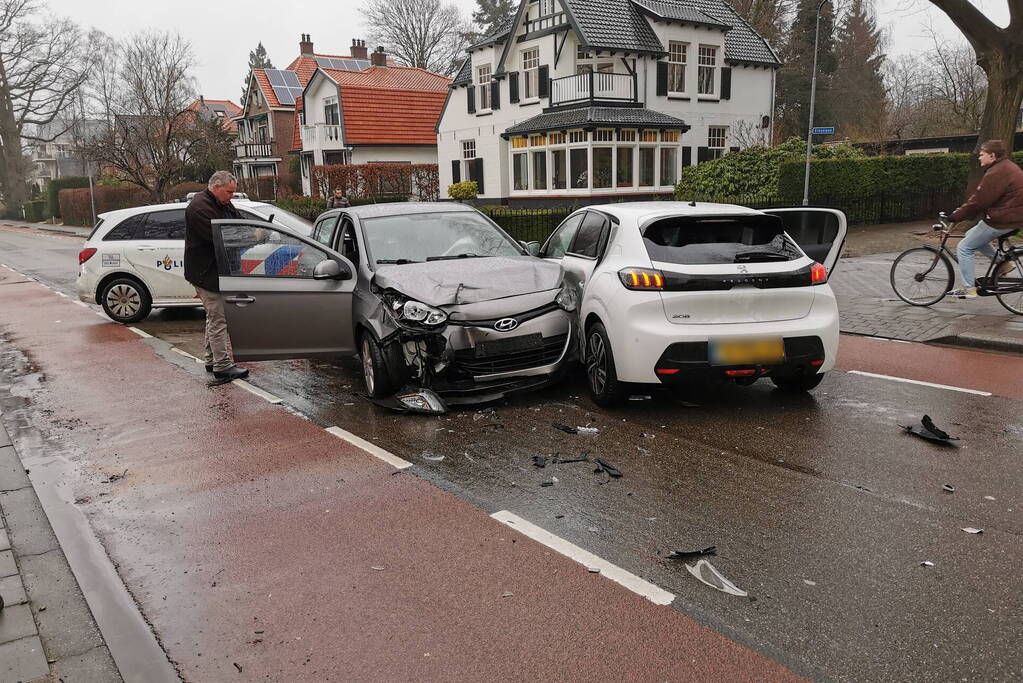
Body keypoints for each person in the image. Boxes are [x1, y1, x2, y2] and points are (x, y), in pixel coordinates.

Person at [184, 171, 248, 380]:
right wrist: (247, 236)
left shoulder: (220, 204)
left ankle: (212, 359)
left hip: (214, 270)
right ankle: (222, 365)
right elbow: (222, 238)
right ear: (216, 187)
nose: (232, 196)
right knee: (218, 318)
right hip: (207, 272)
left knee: (214, 317)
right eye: (229, 192)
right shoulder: (200, 208)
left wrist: (247, 233)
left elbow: (238, 224)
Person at [948, 139, 1023, 298]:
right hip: (1013, 216)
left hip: (1002, 219)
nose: (979, 157)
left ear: (992, 155)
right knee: (971, 236)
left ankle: (969, 289)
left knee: (964, 248)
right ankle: (1003, 264)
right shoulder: (1007, 166)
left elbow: (979, 201)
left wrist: (956, 216)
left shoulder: (996, 172)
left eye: (982, 154)